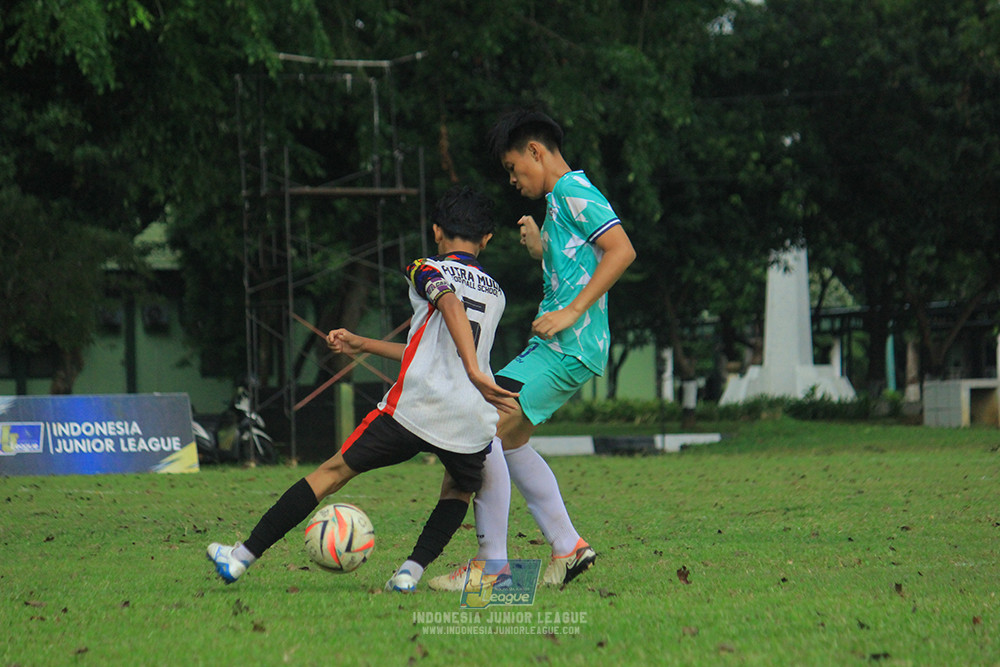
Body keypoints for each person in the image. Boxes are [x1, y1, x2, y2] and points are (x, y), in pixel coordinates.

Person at [206, 186, 518, 593]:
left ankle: (241, 558)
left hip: (414, 408)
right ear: (487, 240)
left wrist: (476, 372)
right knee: (458, 490)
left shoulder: (426, 267)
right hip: (470, 418)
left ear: (437, 231)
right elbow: (427, 348)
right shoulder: (496, 292)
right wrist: (361, 343)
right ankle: (410, 572)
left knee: (331, 473)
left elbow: (450, 305)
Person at [428, 108, 636, 590]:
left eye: (512, 167)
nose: (512, 179)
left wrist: (571, 313)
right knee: (508, 439)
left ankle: (492, 568)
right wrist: (545, 249)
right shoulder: (561, 202)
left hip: (566, 345)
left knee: (482, 426)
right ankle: (569, 547)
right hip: (563, 348)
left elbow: (621, 250)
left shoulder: (571, 190)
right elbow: (584, 257)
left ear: (536, 152)